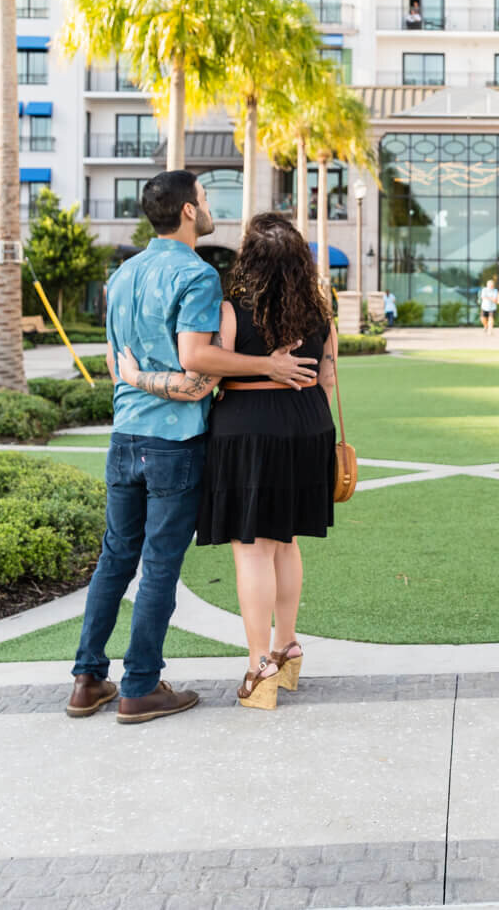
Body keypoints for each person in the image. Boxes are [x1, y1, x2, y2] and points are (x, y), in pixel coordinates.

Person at [71, 171, 314, 726]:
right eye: (204, 199)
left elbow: (115, 364)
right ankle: (138, 686)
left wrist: (135, 380)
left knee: (114, 559)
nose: (209, 208)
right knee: (158, 565)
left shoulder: (123, 274)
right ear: (186, 211)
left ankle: (88, 680)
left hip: (123, 435)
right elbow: (197, 364)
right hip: (174, 442)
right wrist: (266, 365)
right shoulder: (198, 276)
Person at [120, 212, 341, 712]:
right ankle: (288, 647)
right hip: (309, 427)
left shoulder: (230, 310)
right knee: (285, 542)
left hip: (248, 430)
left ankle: (259, 663)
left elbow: (205, 368)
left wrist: (137, 377)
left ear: (250, 257)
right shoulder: (321, 313)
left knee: (253, 549)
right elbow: (328, 380)